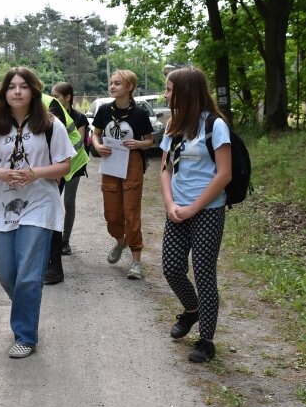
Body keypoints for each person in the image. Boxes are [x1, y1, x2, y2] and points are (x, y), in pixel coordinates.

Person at [0, 67, 74, 359]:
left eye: (23, 86)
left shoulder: (51, 124)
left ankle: (25, 335)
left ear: (33, 91)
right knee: (6, 272)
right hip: (5, 205)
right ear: (5, 93)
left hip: (40, 204)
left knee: (29, 275)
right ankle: (25, 312)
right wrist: (3, 174)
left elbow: (65, 165)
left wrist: (35, 173)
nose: (17, 91)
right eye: (12, 87)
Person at [160, 67, 232, 363]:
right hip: (177, 209)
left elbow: (224, 174)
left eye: (169, 89)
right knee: (172, 268)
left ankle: (206, 340)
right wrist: (169, 203)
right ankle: (192, 310)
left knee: (203, 272)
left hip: (208, 211)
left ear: (185, 92)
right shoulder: (172, 125)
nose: (166, 94)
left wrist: (194, 207)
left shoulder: (215, 125)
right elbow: (165, 168)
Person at [91, 69, 153, 280]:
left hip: (132, 164)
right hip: (110, 164)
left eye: (117, 83)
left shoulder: (140, 114)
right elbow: (96, 134)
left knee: (131, 212)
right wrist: (98, 146)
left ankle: (136, 262)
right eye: (111, 83)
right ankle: (120, 241)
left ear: (129, 87)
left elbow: (149, 141)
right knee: (112, 213)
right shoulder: (104, 110)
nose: (112, 86)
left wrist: (138, 144)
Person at [42, 82, 90, 285]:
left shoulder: (77, 117)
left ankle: (63, 246)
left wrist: (58, 167)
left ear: (68, 97)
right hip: (57, 165)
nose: (55, 98)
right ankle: (48, 256)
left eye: (58, 95)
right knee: (51, 205)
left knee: (65, 203)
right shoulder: (49, 107)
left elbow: (76, 144)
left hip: (72, 163)